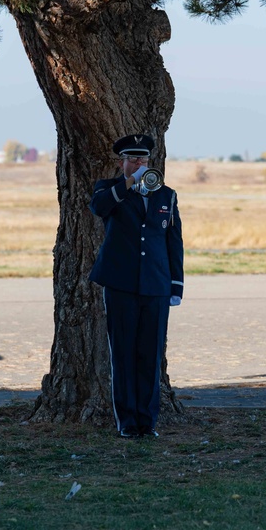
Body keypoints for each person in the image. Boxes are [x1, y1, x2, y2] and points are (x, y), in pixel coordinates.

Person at [89, 133, 184, 439]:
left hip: (155, 285)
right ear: (123, 163)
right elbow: (99, 208)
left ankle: (148, 421)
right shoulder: (109, 189)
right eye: (133, 159)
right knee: (124, 355)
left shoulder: (166, 195)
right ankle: (127, 422)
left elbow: (174, 242)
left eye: (143, 159)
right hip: (120, 284)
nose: (139, 164)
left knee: (149, 355)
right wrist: (128, 183)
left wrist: (176, 286)